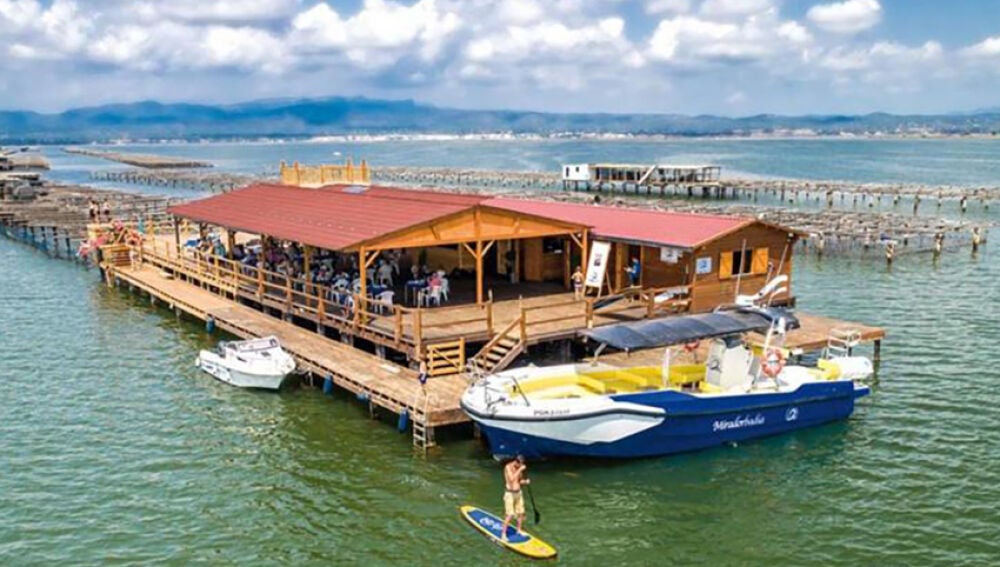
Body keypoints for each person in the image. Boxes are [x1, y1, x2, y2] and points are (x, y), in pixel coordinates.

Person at [501, 456, 530, 541]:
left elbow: (518, 481)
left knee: (521, 512)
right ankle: (503, 534)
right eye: (519, 465)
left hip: (518, 493)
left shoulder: (518, 467)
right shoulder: (508, 467)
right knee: (510, 515)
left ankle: (519, 530)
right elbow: (511, 479)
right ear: (516, 462)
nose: (520, 466)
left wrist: (525, 482)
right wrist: (520, 469)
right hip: (509, 493)